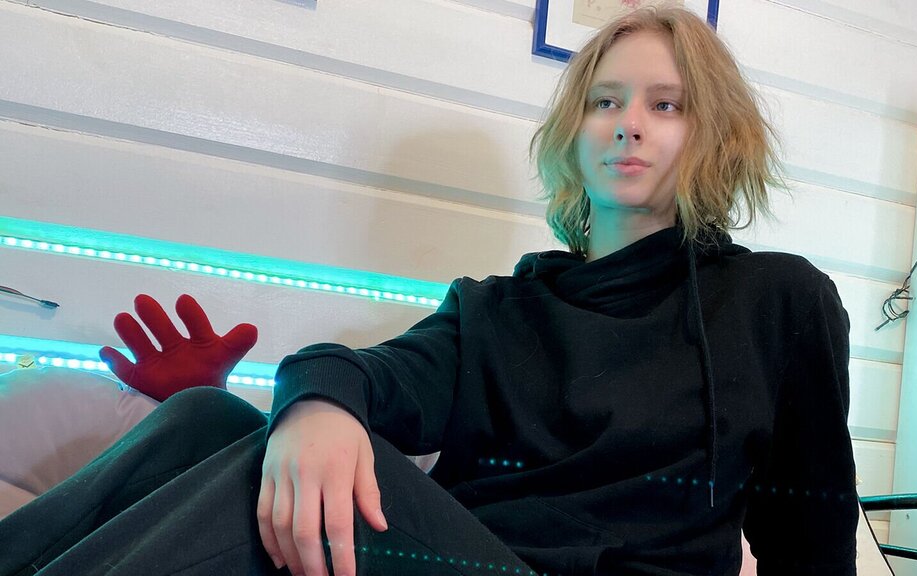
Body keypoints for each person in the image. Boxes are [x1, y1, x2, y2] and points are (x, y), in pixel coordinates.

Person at [0, 5, 858, 576]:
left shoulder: (778, 300)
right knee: (206, 418)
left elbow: (810, 529)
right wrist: (316, 404)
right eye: (605, 101)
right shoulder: (496, 310)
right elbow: (359, 372)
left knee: (295, 460)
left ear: (714, 133)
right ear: (574, 131)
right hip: (458, 554)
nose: (629, 123)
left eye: (666, 105)